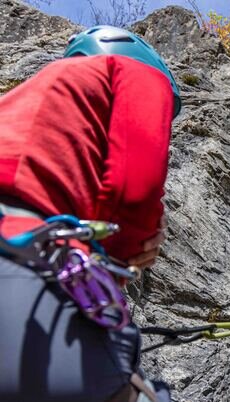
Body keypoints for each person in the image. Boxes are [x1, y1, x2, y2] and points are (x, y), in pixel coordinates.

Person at [0, 25, 180, 402]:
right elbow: (136, 190)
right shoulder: (136, 75)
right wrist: (133, 248)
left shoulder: (26, 102)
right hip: (22, 268)